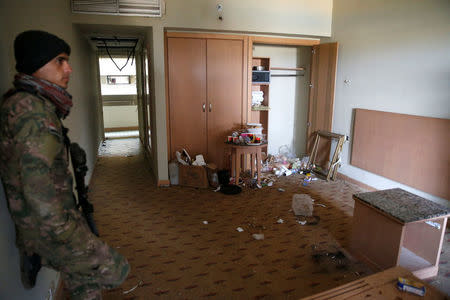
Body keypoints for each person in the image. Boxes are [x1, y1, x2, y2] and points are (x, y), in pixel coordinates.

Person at [0, 30, 129, 300]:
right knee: (115, 270)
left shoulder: (28, 102)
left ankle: (38, 252)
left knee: (85, 284)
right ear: (36, 63)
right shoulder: (33, 113)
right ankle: (37, 252)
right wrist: (75, 238)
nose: (68, 68)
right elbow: (40, 195)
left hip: (48, 222)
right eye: (60, 60)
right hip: (51, 229)